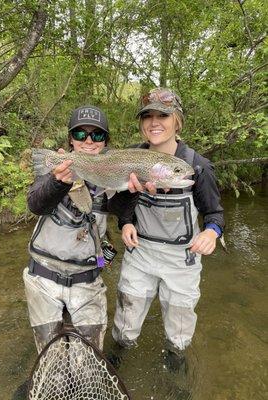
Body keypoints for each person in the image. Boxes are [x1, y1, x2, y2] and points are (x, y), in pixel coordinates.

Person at [108, 88, 225, 372]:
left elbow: (215, 214)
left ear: (178, 121)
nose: (154, 122)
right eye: (147, 116)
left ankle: (175, 358)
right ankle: (118, 353)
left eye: (163, 114)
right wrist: (125, 223)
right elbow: (118, 203)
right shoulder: (131, 157)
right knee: (127, 315)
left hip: (182, 259)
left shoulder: (198, 167)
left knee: (180, 321)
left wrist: (211, 233)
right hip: (141, 253)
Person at [23, 105, 113, 353]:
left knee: (88, 359)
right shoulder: (56, 167)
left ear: (105, 141)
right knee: (51, 357)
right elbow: (35, 204)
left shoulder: (113, 170)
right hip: (43, 277)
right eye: (80, 134)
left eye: (96, 135)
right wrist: (57, 182)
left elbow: (126, 214)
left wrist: (136, 191)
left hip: (87, 279)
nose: (88, 141)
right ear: (71, 140)